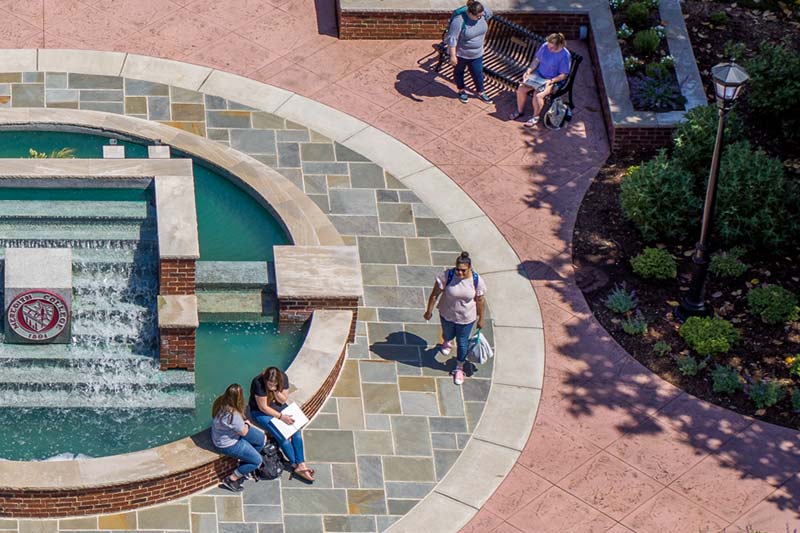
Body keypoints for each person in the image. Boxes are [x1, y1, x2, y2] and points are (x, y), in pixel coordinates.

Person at [423, 251, 487, 385]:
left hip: (466, 318)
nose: (460, 273)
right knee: (447, 334)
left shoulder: (476, 281)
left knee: (462, 342)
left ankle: (459, 367)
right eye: (457, 269)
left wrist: (481, 318)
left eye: (463, 270)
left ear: (469, 268)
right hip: (447, 314)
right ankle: (447, 341)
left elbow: (480, 301)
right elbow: (435, 294)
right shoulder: (448, 275)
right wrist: (429, 310)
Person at [249, 367, 314, 482]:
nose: (271, 385)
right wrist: (281, 417)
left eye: (274, 383)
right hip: (260, 412)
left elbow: (283, 401)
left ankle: (301, 464)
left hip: (278, 407)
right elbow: (263, 407)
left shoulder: (283, 378)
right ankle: (295, 465)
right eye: (269, 384)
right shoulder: (258, 382)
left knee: (296, 432)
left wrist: (275, 390)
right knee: (282, 436)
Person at [211, 383, 267, 493]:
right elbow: (244, 432)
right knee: (257, 461)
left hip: (223, 435)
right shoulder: (232, 415)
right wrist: (246, 424)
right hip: (228, 444)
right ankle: (232, 479)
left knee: (261, 440)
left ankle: (246, 463)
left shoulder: (219, 402)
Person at [508, 33, 571, 127]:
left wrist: (552, 81)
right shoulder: (545, 46)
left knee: (538, 95)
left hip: (552, 79)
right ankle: (519, 111)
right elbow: (536, 60)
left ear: (559, 45)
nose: (549, 49)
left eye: (552, 48)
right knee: (521, 88)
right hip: (538, 75)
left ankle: (535, 117)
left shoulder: (565, 55)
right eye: (549, 46)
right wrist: (529, 70)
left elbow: (564, 75)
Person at [446, 1, 494, 104]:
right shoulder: (459, 20)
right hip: (461, 54)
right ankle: (461, 90)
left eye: (481, 15)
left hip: (477, 54)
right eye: (477, 16)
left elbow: (489, 12)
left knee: (478, 73)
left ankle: (481, 92)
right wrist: (453, 56)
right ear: (470, 13)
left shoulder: (482, 14)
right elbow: (452, 39)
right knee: (459, 72)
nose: (480, 17)